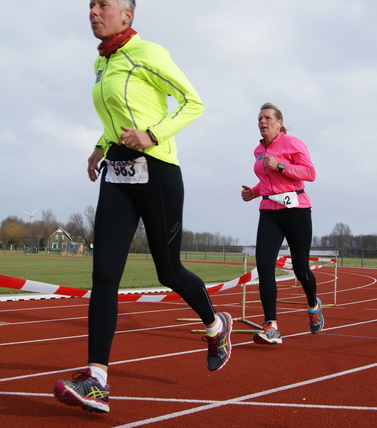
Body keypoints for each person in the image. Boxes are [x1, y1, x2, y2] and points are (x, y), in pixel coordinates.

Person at [53, 0, 232, 413]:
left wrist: (153, 134)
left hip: (158, 171)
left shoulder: (148, 52)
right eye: (91, 5)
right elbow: (113, 116)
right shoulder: (103, 63)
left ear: (127, 14)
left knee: (168, 271)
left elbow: (193, 102)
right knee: (104, 274)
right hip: (118, 173)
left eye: (103, 5)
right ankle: (97, 379)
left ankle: (214, 324)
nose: (93, 11)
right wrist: (100, 146)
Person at [240, 102, 323, 345]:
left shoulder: (292, 143)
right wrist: (254, 192)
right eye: (259, 119)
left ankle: (312, 305)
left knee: (300, 268)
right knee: (264, 265)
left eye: (267, 118)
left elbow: (310, 173)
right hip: (269, 211)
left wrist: (282, 165)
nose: (262, 122)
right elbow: (267, 182)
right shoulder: (258, 150)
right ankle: (271, 326)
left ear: (279, 123)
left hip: (297, 210)